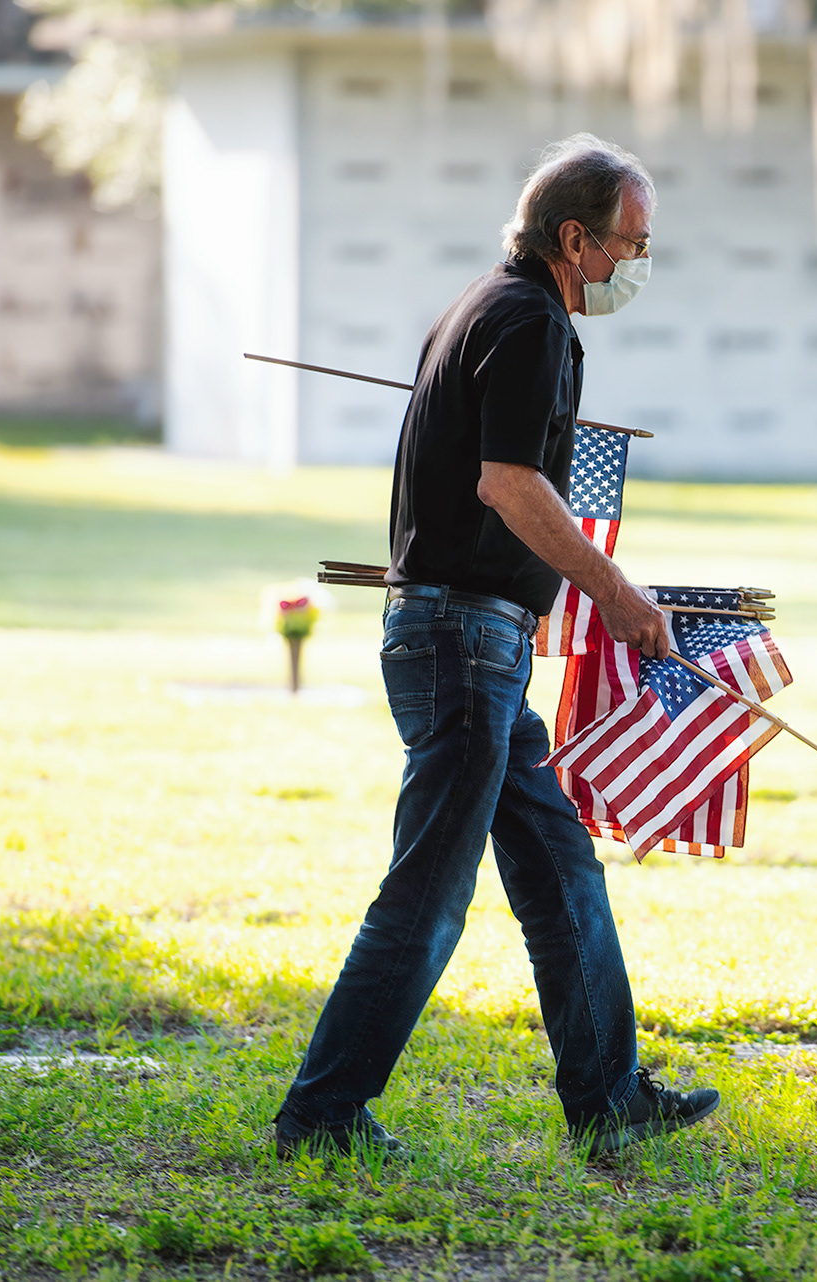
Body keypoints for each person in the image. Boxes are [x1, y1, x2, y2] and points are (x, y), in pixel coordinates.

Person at [274, 134, 720, 1161]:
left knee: (563, 866)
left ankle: (609, 1093)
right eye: (630, 244)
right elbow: (509, 485)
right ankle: (322, 1113)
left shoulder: (487, 305)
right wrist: (614, 592)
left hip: (475, 640)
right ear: (575, 238)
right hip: (461, 643)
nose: (635, 265)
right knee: (430, 893)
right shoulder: (529, 320)